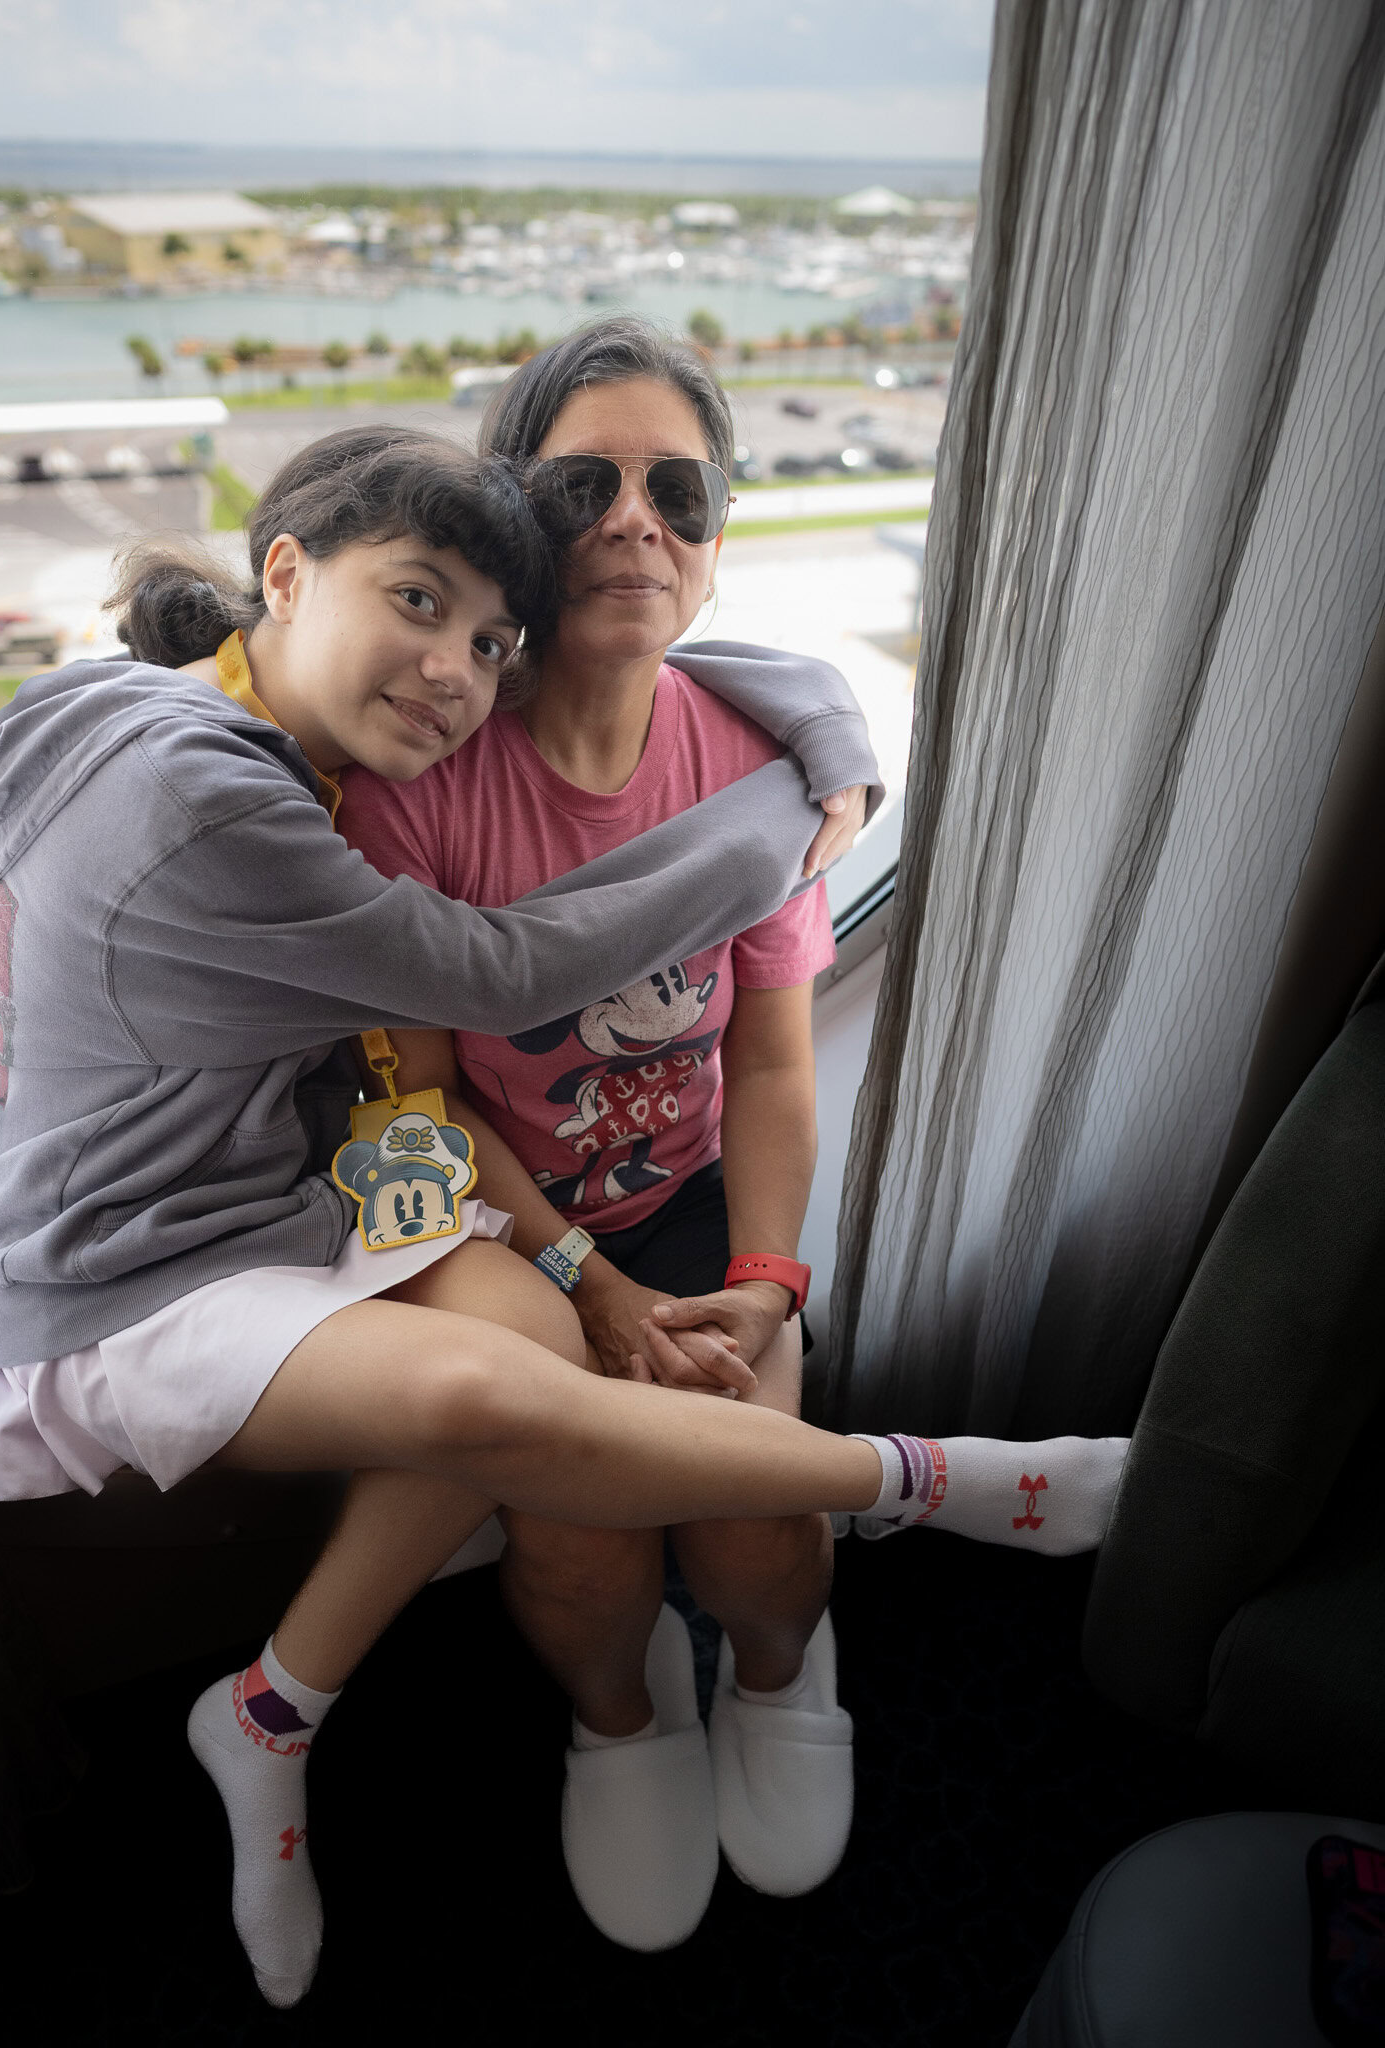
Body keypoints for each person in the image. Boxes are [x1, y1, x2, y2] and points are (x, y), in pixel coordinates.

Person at [0, 422, 1127, 2010]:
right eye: (416, 604)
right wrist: (798, 808)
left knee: (524, 1350)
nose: (451, 669)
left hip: (273, 1210)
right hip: (127, 1271)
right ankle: (938, 1487)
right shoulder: (200, 792)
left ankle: (272, 1714)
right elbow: (496, 983)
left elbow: (657, 664)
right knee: (493, 1398)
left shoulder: (221, 717)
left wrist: (819, 723)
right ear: (282, 574)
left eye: (489, 641)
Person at [338, 317, 1127, 1950]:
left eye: (679, 491)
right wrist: (582, 1283)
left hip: (691, 1204)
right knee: (568, 1538)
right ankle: (622, 1717)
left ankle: (779, 1665)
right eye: (584, 483)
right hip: (498, 1233)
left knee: (758, 1516)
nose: (636, 520)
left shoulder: (763, 765)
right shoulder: (419, 782)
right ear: (514, 519)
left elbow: (769, 1062)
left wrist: (765, 1280)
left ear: (714, 537)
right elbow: (405, 1103)